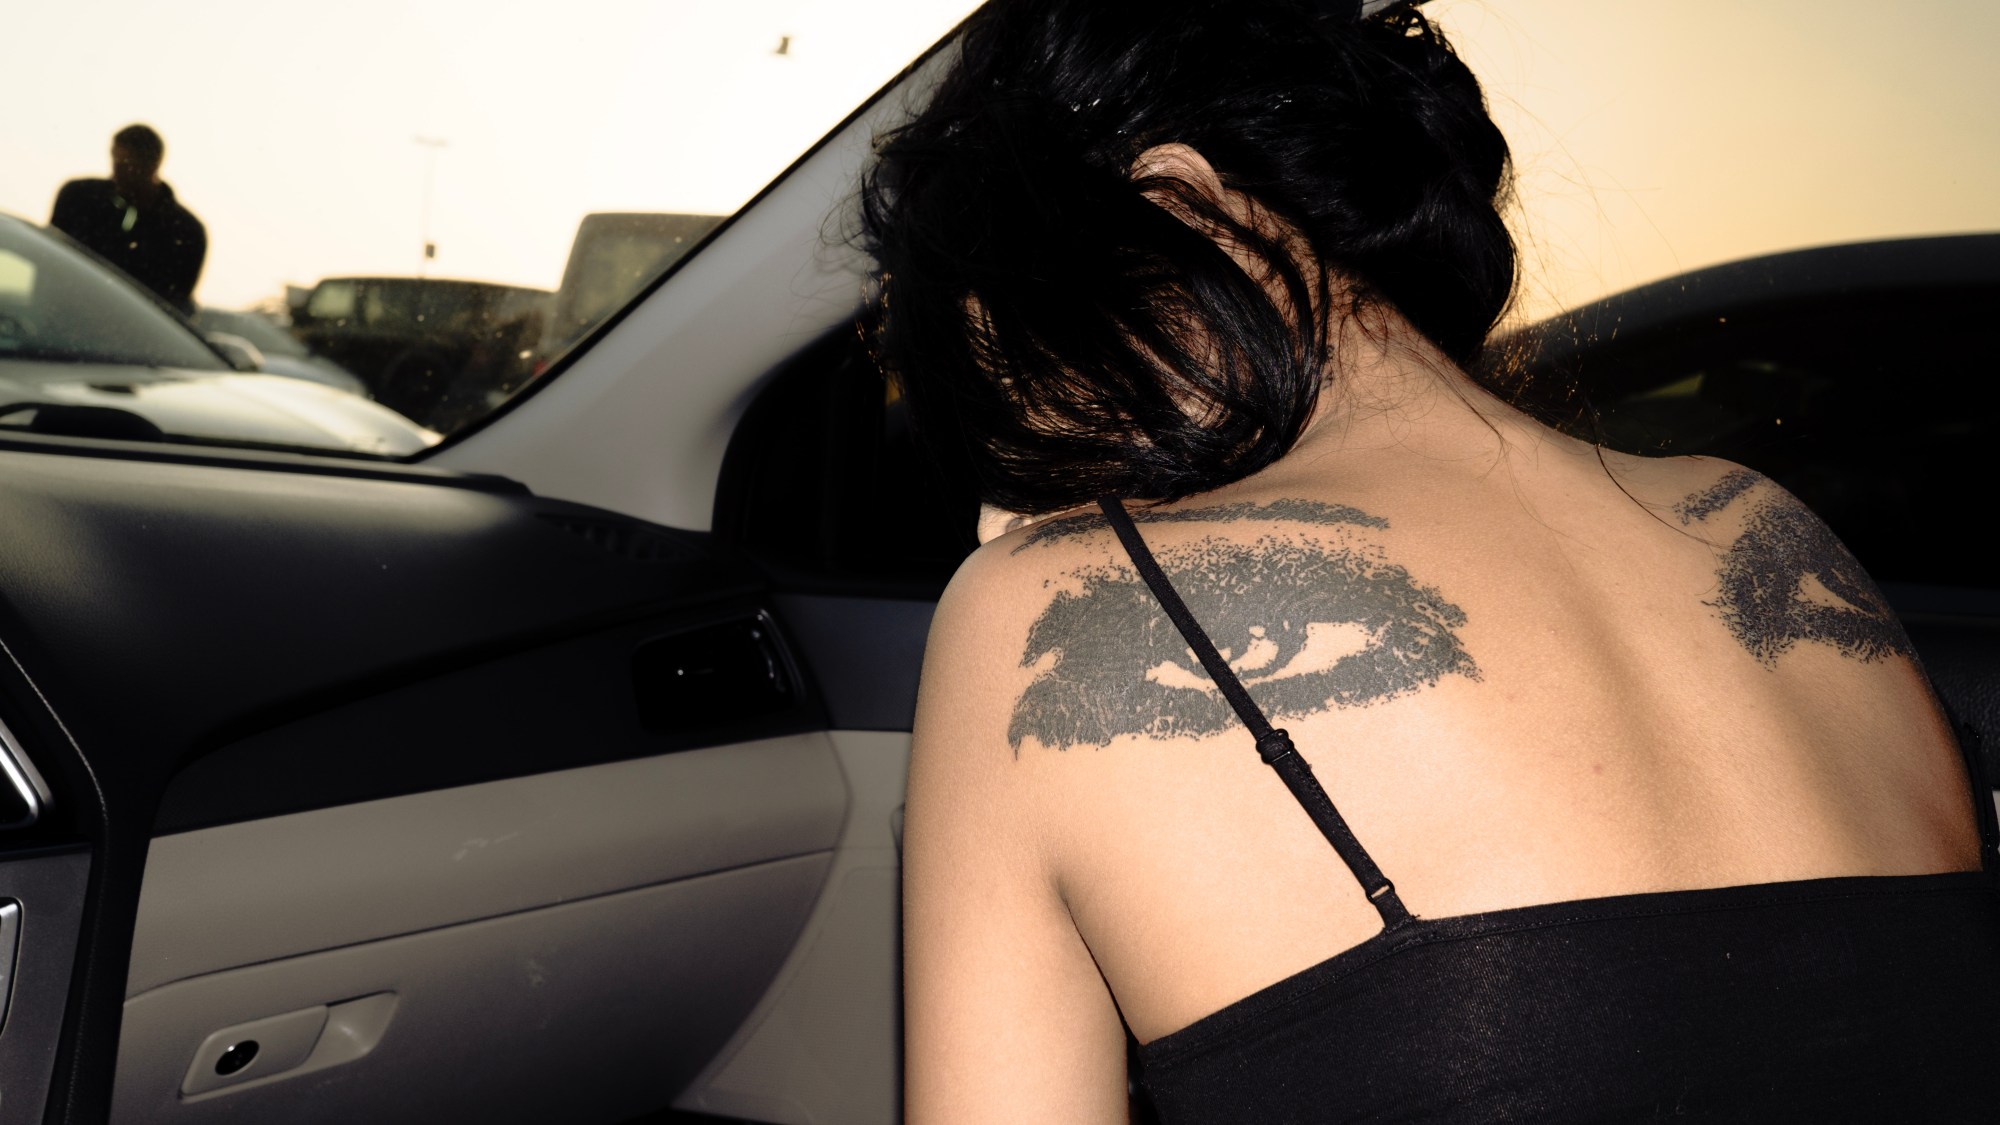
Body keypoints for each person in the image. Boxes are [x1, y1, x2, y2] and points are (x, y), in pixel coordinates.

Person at [862, 0, 2000, 1120]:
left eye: (1019, 360)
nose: (1031, 451)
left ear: (1184, 206)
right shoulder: (1759, 518)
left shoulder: (1056, 602)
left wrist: (1023, 578)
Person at [50, 123, 207, 314]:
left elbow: (175, 307)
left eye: (128, 166)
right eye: (116, 162)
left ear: (153, 165)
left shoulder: (187, 232)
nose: (117, 174)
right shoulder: (78, 198)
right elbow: (51, 268)